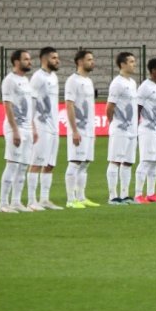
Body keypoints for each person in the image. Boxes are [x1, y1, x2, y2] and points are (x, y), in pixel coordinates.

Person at [0, 49, 37, 213]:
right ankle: (3, 203)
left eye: (30, 59)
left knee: (23, 166)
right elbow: (7, 106)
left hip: (27, 128)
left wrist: (33, 127)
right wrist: (15, 130)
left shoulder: (26, 80)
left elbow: (29, 107)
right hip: (16, 128)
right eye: (26, 59)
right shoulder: (9, 81)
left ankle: (16, 201)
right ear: (16, 62)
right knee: (12, 164)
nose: (30, 62)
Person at [27, 46, 62, 210]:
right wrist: (32, 126)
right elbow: (31, 103)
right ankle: (32, 200)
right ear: (44, 59)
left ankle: (44, 199)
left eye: (57, 57)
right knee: (36, 162)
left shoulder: (53, 77)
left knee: (50, 164)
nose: (57, 60)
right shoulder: (37, 78)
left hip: (54, 127)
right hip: (41, 126)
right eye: (54, 58)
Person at [64, 50, 99, 209]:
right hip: (78, 129)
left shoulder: (89, 81)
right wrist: (74, 130)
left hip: (89, 130)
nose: (92, 62)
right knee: (75, 162)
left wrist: (93, 130)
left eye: (92, 59)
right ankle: (70, 199)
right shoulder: (73, 81)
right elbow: (69, 105)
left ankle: (81, 197)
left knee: (85, 163)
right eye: (89, 59)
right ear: (79, 62)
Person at [106, 51, 139, 205]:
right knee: (115, 161)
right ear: (123, 64)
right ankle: (113, 196)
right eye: (131, 61)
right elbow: (109, 107)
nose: (134, 64)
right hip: (120, 129)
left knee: (127, 162)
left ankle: (125, 195)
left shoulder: (132, 83)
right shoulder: (117, 83)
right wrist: (114, 123)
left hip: (133, 130)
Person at [134, 58, 156, 204]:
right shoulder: (144, 87)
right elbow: (137, 108)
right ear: (153, 70)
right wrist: (135, 129)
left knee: (155, 162)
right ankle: (138, 194)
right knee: (146, 160)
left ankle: (151, 193)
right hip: (147, 130)